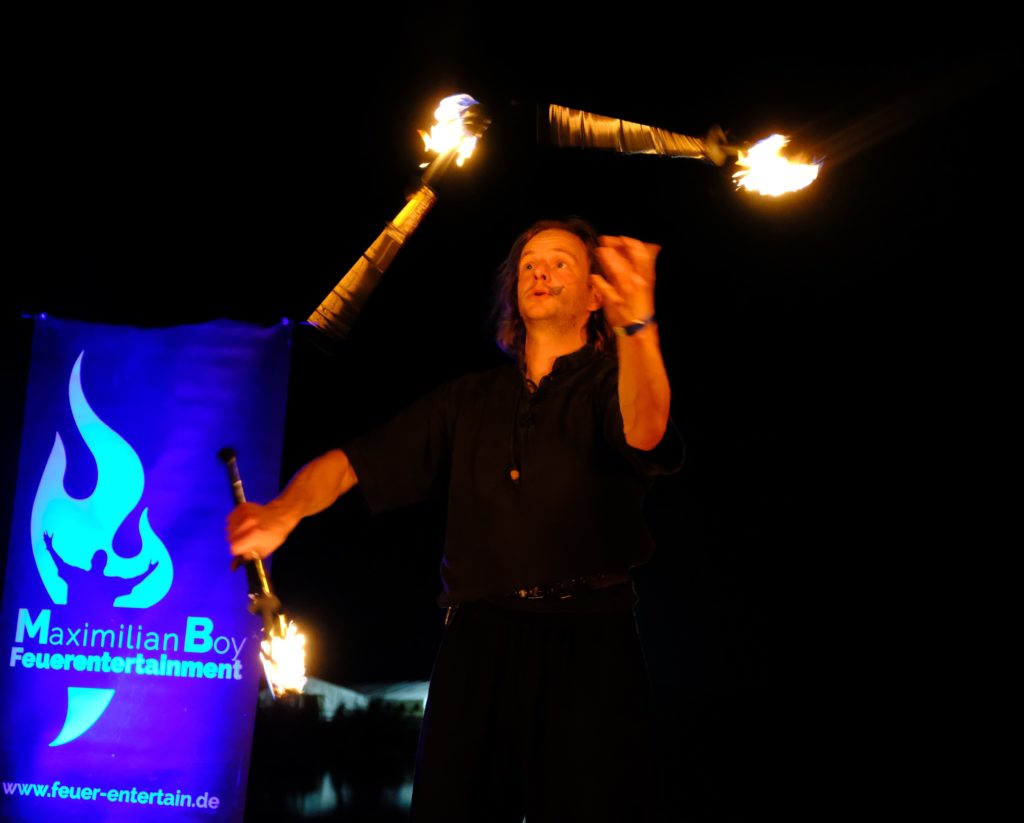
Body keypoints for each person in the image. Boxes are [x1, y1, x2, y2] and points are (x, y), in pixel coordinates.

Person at [227, 217, 684, 821]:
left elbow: (646, 429)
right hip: (478, 639)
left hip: (590, 640)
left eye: (560, 262)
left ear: (596, 296)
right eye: (528, 264)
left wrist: (638, 325)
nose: (540, 271)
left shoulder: (612, 383)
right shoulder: (468, 400)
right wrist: (283, 512)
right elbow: (352, 463)